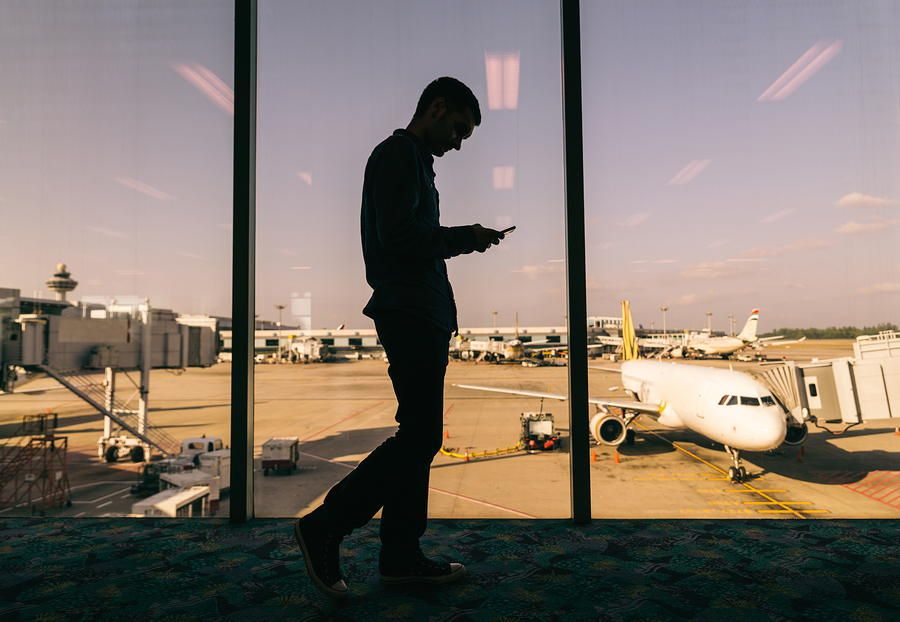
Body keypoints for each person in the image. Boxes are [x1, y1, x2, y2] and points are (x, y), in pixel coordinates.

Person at [294, 76, 505, 598]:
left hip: (420, 312)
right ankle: (327, 525)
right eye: (458, 129)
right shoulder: (397, 155)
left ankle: (401, 556)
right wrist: (466, 238)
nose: (457, 143)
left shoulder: (413, 162)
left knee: (419, 436)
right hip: (408, 310)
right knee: (419, 436)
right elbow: (401, 237)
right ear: (436, 108)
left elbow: (407, 236)